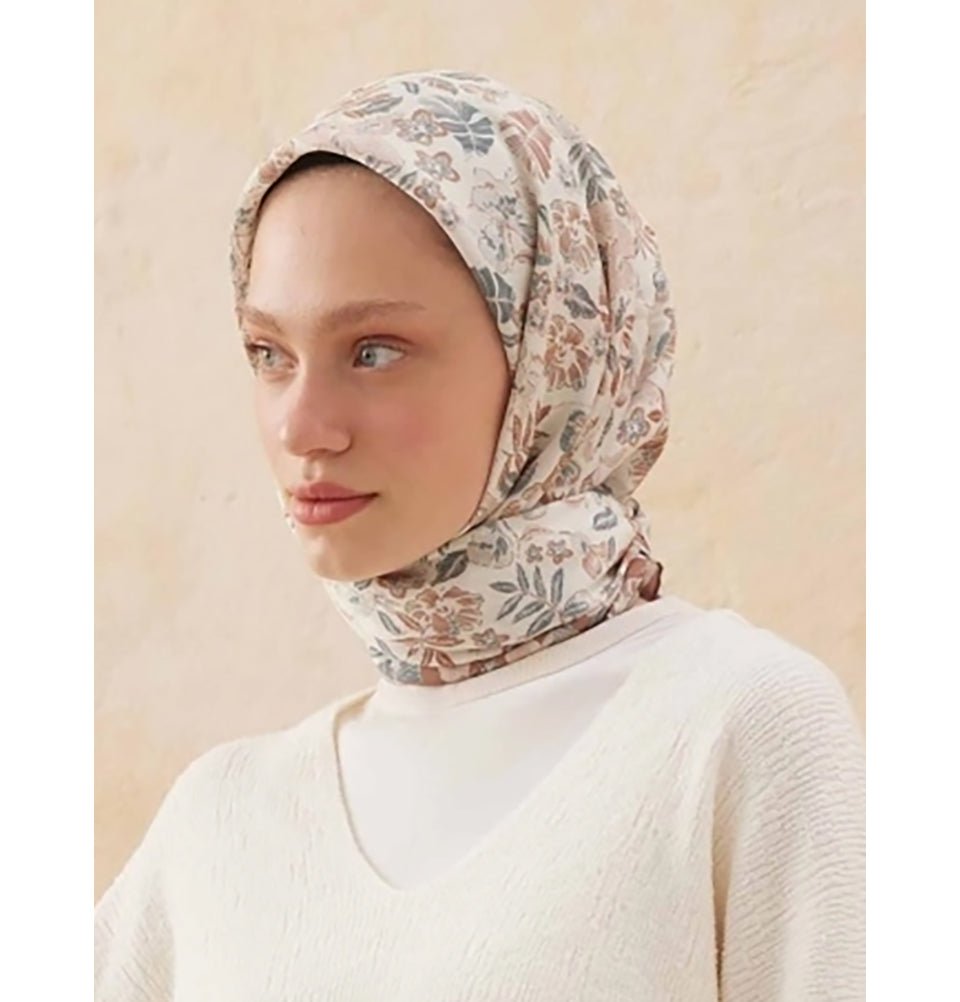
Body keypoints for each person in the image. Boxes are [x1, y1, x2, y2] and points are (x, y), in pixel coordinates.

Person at [94, 69, 865, 1001]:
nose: (301, 426)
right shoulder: (219, 821)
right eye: (269, 354)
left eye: (374, 351)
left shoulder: (735, 729)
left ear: (554, 356)